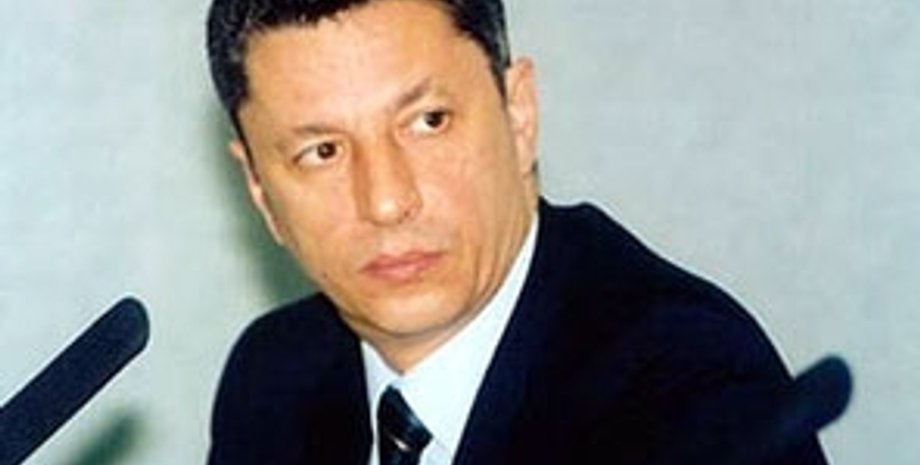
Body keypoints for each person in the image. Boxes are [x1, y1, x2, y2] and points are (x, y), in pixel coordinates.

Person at [204, 1, 829, 464]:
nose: (388, 201)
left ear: (520, 115)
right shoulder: (274, 379)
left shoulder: (687, 391)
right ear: (259, 190)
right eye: (322, 152)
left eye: (428, 121)